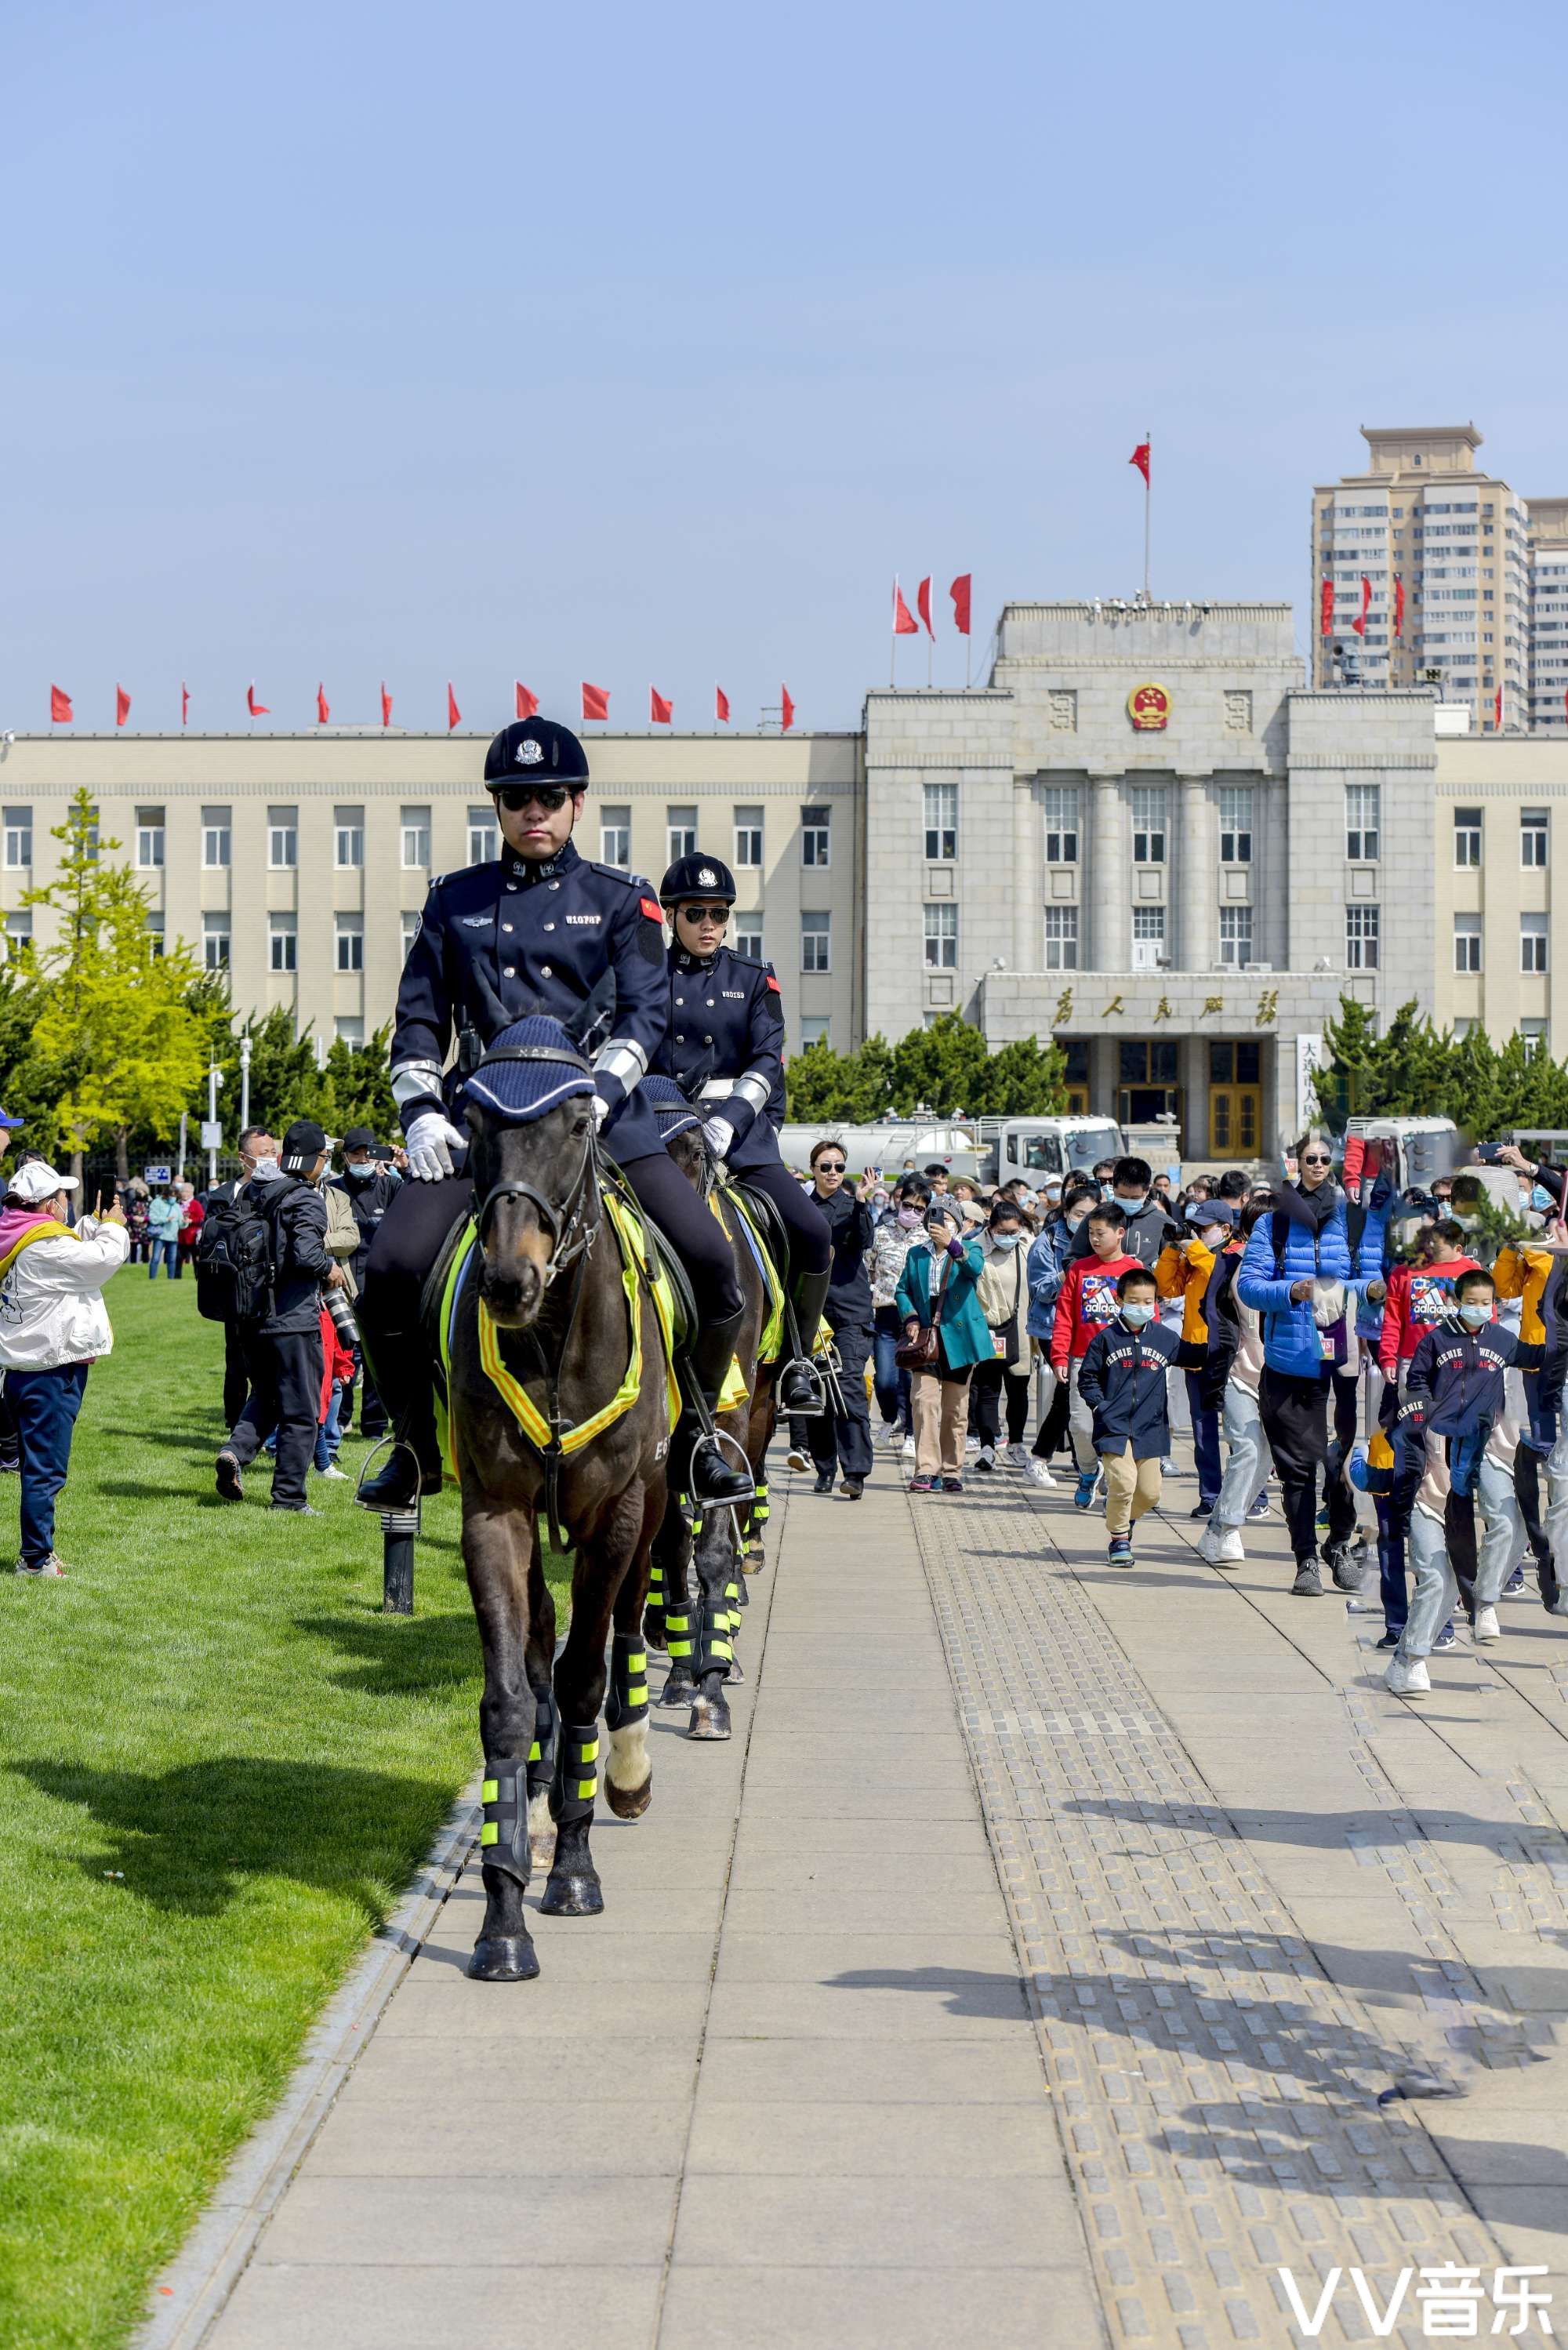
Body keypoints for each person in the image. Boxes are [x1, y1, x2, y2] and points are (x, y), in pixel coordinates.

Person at [355, 714, 752, 1513]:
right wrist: (423, 1114)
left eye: (549, 797)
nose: (533, 812)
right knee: (392, 1270)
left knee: (713, 1264)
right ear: (497, 809)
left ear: (577, 804)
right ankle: (411, 1446)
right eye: (516, 799)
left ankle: (700, 1436)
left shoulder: (623, 899)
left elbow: (642, 1013)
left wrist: (601, 1094)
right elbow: (420, 1021)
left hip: (605, 1118)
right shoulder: (453, 902)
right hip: (490, 1129)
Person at [653, 855, 833, 1413]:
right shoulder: (643, 979)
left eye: (719, 913)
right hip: (662, 1131)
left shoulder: (754, 978)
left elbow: (767, 1061)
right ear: (672, 916)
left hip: (741, 1135)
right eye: (697, 913)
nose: (710, 924)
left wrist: (729, 1121)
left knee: (812, 1230)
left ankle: (800, 1358)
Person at [1237, 1131, 1388, 1597]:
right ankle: (1305, 1558)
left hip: (1341, 1357)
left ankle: (1339, 1542)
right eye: (1310, 1159)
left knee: (1342, 1460)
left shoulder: (1353, 1219)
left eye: (1325, 1159)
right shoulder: (1275, 1225)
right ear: (1295, 1163)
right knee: (1299, 1467)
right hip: (1290, 1361)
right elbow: (1250, 1287)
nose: (1318, 1165)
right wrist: (1292, 1291)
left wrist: (1368, 1291)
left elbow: (1372, 1276)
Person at [1385, 1267, 1545, 1696]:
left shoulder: (1500, 1340)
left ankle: (1487, 1602)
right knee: (1439, 1577)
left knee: (1509, 1522)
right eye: (1472, 1301)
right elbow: (1414, 1384)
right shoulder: (1435, 1341)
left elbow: (1539, 1356)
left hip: (1481, 1451)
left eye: (1487, 1302)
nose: (1480, 1310)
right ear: (1457, 1301)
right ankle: (1408, 1661)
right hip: (1432, 1469)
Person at [0, 1161, 129, 1576]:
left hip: (19, 1368)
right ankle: (35, 1559)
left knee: (36, 1466)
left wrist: (94, 1221)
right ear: (49, 1206)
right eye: (62, 1197)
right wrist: (113, 1225)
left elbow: (73, 1254)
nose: (66, 1204)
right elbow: (102, 1260)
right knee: (45, 1470)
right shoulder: (45, 1245)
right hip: (50, 1369)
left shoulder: (16, 1234)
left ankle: (39, 1552)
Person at [215, 1118, 336, 1514]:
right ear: (312, 1159)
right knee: (301, 1411)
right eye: (325, 1157)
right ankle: (288, 1497)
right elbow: (306, 1254)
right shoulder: (304, 1197)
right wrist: (329, 1269)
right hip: (293, 1319)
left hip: (252, 1316)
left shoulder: (254, 1191)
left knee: (266, 1395)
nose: (326, 1164)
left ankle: (235, 1452)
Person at [1077, 1265, 1182, 1567]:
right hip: (1115, 1426)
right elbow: (1088, 1378)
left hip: (1151, 1428)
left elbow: (1197, 1356)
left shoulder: (1164, 1338)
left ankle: (1123, 1517)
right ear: (1120, 1299)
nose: (1141, 1307)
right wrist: (1100, 1407)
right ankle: (1119, 1538)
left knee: (1149, 1493)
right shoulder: (1105, 1339)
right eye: (1133, 1301)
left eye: (1148, 1301)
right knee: (1123, 1484)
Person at [895, 1199, 992, 1494]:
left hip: (960, 1338)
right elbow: (902, 1290)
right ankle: (926, 1470)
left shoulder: (970, 1248)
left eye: (949, 1218)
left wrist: (952, 1244)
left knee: (955, 1409)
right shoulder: (916, 1254)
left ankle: (952, 1470)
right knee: (924, 1403)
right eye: (936, 1217)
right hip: (926, 1337)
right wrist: (910, 1317)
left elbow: (974, 1269)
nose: (941, 1223)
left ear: (959, 1223)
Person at [1051, 1202, 1142, 1510]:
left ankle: (1114, 1486)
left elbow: (1149, 1316)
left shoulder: (1135, 1271)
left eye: (1100, 1233)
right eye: (1090, 1233)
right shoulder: (1079, 1269)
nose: (1094, 1239)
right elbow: (1064, 1316)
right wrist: (1060, 1357)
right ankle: (1088, 1473)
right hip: (1083, 1360)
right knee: (1081, 1425)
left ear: (1120, 1233)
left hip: (1125, 1363)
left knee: (1119, 1429)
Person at [1196, 1200, 1272, 1565]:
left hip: (1280, 1379)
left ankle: (1215, 1527)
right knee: (1247, 1449)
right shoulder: (1231, 1264)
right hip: (1239, 1371)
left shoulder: (1298, 1267)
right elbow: (1210, 1310)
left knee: (1266, 1457)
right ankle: (1228, 1528)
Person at [801, 1136, 873, 1497]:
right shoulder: (801, 1205)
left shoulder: (852, 1205)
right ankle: (824, 1468)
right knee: (816, 1393)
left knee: (849, 1388)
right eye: (826, 1167)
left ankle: (856, 1472)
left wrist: (861, 1200)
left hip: (850, 1314)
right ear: (813, 1170)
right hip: (812, 1313)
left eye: (839, 1167)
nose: (833, 1173)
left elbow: (863, 1240)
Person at [1155, 1200, 1235, 1518]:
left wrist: (1196, 1248)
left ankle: (1251, 1496)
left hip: (1227, 1354)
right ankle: (1210, 1496)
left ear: (1225, 1230)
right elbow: (1165, 1286)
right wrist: (1175, 1247)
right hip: (1196, 1350)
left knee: (1238, 1430)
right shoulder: (1193, 1257)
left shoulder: (1234, 1253)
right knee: (1203, 1433)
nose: (1198, 1234)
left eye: (1205, 1229)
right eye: (1196, 1228)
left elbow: (1221, 1275)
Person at [327, 1128, 401, 1439]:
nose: (363, 1159)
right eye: (356, 1154)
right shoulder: (333, 1189)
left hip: (382, 1284)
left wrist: (406, 1167)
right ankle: (340, 1419)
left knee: (379, 1360)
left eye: (368, 1153)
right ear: (345, 1156)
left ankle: (374, 1424)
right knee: (345, 1356)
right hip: (343, 1282)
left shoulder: (391, 1186)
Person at [203, 1128, 279, 1429]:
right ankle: (235, 1423)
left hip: (270, 1288)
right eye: (263, 1154)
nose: (270, 1159)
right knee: (237, 1361)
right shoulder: (223, 1196)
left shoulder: (282, 1190)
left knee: (269, 1361)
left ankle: (264, 1423)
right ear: (243, 1158)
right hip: (236, 1291)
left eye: (273, 1152)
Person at [971, 1197, 1033, 1470]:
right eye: (1002, 1232)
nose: (1008, 1237)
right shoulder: (975, 1250)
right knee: (987, 1390)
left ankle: (1016, 1444)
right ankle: (986, 1446)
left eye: (1013, 1231)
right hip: (987, 1329)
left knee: (1018, 1390)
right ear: (990, 1227)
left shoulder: (1028, 1248)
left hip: (1020, 1330)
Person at [869, 1175, 927, 1451]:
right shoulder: (881, 1232)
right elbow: (866, 1265)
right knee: (884, 1380)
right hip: (885, 1315)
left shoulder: (928, 1238)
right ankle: (889, 1418)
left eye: (920, 1209)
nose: (912, 1212)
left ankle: (912, 1435)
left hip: (916, 1318)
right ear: (898, 1201)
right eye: (908, 1205)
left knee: (911, 1379)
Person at [1065, 1157, 1177, 1270]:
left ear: (1148, 1190)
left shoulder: (1163, 1223)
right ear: (1114, 1187)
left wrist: (1144, 1271)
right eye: (1122, 1196)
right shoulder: (1096, 1217)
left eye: (1135, 1198)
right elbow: (1070, 1261)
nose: (1128, 1201)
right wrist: (1100, 1273)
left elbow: (1173, 1270)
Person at [147, 1186, 181, 1279]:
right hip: (160, 1236)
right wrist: (166, 1219)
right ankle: (152, 1279)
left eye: (175, 1196)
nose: (173, 1198)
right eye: (171, 1195)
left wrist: (185, 1222)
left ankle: (171, 1280)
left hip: (173, 1237)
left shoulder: (177, 1206)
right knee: (156, 1258)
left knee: (172, 1260)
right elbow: (153, 1218)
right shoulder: (157, 1202)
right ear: (166, 1195)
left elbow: (181, 1223)